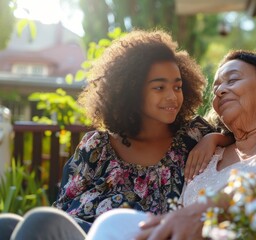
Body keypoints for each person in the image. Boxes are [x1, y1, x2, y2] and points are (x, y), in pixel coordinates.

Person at [0, 29, 232, 240]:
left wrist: (215, 138)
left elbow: (244, 143)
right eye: (159, 87)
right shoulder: (96, 146)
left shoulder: (193, 137)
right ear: (131, 91)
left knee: (41, 220)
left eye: (177, 86)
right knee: (5, 224)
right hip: (81, 232)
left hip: (132, 235)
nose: (172, 96)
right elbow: (64, 209)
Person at [86, 50, 256, 240]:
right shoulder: (208, 155)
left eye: (232, 80)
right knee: (112, 223)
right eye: (216, 89)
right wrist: (213, 138)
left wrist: (205, 211)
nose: (221, 91)